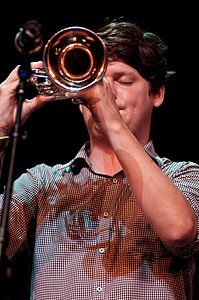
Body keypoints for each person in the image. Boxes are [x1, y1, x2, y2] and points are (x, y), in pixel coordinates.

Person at [0, 18, 199, 300]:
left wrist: (108, 113)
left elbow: (180, 231)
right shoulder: (41, 183)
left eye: (123, 80)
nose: (103, 92)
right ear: (77, 97)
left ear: (157, 93)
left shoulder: (184, 176)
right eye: (95, 81)